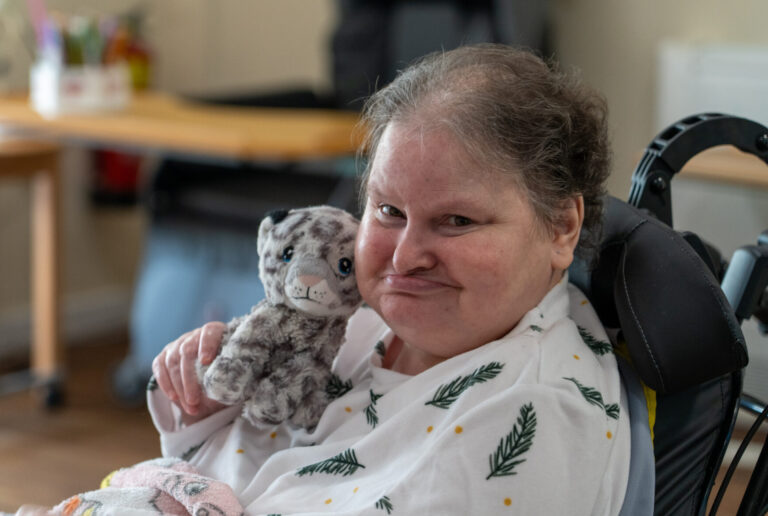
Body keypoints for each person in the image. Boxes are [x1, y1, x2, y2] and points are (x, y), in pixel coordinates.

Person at [150, 43, 631, 515]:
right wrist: (206, 412)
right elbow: (258, 463)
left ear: (562, 226)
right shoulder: (353, 322)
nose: (405, 257)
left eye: (457, 220)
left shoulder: (529, 415)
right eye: (388, 210)